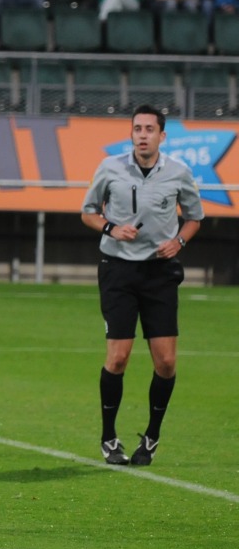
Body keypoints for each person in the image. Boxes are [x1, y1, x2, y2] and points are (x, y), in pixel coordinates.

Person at [81, 105, 203, 466]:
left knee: (165, 362)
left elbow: (195, 217)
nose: (143, 134)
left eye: (150, 129)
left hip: (159, 273)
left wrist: (178, 242)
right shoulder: (110, 168)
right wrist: (111, 228)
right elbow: (88, 211)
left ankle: (150, 438)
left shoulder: (179, 173)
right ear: (131, 134)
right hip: (118, 271)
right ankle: (108, 438)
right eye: (137, 129)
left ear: (162, 136)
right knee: (117, 358)